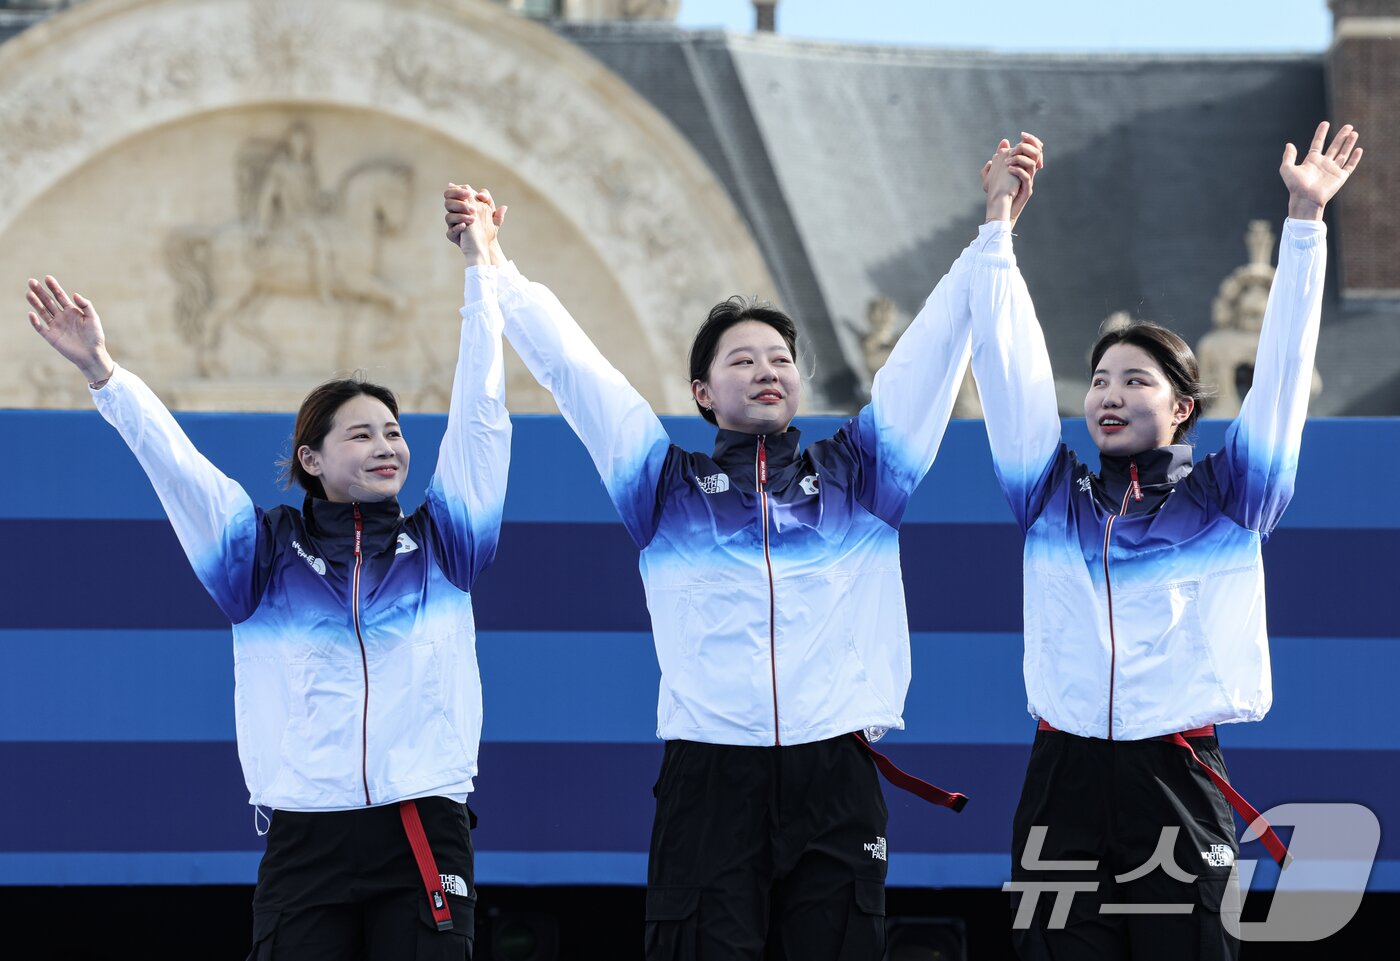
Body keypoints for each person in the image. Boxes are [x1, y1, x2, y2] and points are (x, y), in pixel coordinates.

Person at [441, 154, 1037, 960]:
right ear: (701, 391)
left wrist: (994, 225)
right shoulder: (661, 485)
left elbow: (932, 354)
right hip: (710, 781)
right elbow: (578, 374)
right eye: (742, 360)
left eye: (781, 359)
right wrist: (495, 267)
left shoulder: (860, 476)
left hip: (837, 777)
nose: (766, 370)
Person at [25, 185, 512, 960]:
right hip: (304, 835)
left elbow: (482, 418)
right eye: (360, 434)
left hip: (422, 827)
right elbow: (177, 467)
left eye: (393, 431)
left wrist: (481, 269)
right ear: (311, 460)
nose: (387, 445)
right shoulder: (258, 553)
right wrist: (104, 374)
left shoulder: (446, 544)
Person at [968, 123, 1362, 959]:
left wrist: (1304, 223)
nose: (1109, 394)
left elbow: (1286, 375)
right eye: (1101, 379)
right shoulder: (1048, 498)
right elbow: (1008, 370)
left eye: (1136, 380)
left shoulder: (1231, 496)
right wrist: (997, 224)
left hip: (1177, 778)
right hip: (1060, 784)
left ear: (1183, 405)